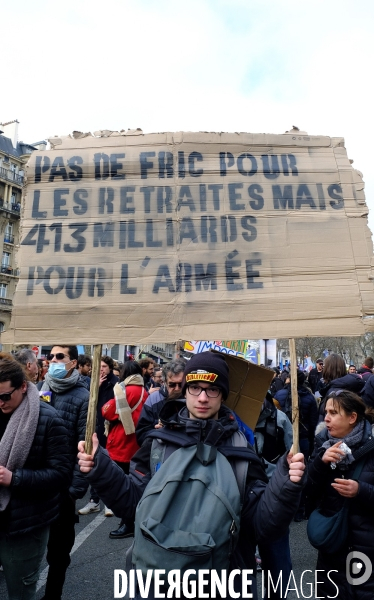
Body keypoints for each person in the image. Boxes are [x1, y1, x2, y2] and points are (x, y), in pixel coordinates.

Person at [78, 352, 306, 600]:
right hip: (158, 581)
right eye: (195, 388)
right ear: (185, 390)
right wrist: (99, 467)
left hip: (222, 583)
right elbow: (133, 504)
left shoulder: (241, 450)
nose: (203, 398)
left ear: (224, 394)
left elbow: (260, 524)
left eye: (213, 390)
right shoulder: (158, 444)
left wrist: (286, 482)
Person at [0, 353, 71, 600]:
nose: (0, 403)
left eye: (4, 397)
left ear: (22, 386)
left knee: (20, 591)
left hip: (25, 526)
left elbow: (61, 475)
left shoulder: (48, 418)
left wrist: (14, 478)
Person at [305, 390, 374, 599]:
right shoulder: (322, 444)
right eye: (326, 412)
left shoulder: (371, 445)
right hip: (332, 546)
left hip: (366, 547)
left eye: (334, 413)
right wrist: (320, 463)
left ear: (353, 418)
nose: (326, 418)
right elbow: (308, 496)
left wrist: (361, 490)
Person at [39, 345, 90, 600]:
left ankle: (52, 595)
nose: (54, 360)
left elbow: (85, 446)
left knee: (58, 554)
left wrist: (74, 491)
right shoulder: (42, 388)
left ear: (73, 363)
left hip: (63, 489)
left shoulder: (83, 397)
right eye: (51, 356)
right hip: (37, 483)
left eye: (61, 357)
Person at [102, 361, 148, 539]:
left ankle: (128, 522)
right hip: (136, 444)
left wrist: (105, 406)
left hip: (122, 443)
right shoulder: (144, 389)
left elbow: (108, 411)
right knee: (135, 485)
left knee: (122, 488)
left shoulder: (124, 390)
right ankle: (132, 521)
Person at [254, 393, 293, 599]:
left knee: (278, 565)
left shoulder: (279, 419)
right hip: (241, 501)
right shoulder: (229, 419)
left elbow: (292, 454)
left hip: (273, 499)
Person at [79, 355, 118, 517]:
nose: (101, 369)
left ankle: (109, 502)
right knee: (94, 464)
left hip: (110, 429)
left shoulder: (116, 384)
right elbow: (87, 404)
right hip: (94, 428)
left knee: (108, 464)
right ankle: (94, 501)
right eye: (98, 367)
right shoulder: (92, 383)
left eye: (104, 366)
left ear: (109, 368)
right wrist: (96, 388)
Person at [135, 358, 186, 445]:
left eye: (181, 385)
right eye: (172, 385)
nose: (177, 389)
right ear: (165, 382)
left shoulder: (194, 401)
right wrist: (158, 433)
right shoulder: (153, 400)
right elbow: (141, 434)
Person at [317, 353, 365, 422]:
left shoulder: (334, 393)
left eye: (324, 367)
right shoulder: (348, 386)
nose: (322, 370)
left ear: (329, 369)